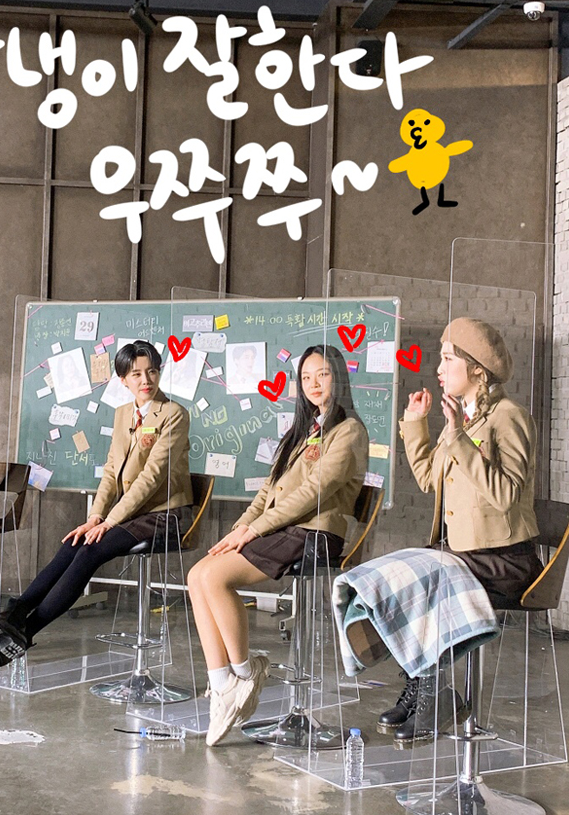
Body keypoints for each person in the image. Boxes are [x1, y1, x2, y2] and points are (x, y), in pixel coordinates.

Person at [0, 340, 193, 669]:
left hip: (164, 515)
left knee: (91, 550)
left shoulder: (174, 414)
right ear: (123, 380)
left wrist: (110, 522)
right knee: (74, 542)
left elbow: (152, 477)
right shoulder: (123, 413)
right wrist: (95, 517)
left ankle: (24, 633)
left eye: (152, 371)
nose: (146, 380)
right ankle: (13, 616)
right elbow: (111, 472)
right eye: (136, 374)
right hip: (131, 513)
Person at [187, 344, 369, 746]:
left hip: (316, 534)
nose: (314, 384)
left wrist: (254, 532)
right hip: (285, 529)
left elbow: (312, 493)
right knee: (198, 574)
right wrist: (239, 528)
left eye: (322, 374)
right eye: (306, 377)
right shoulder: (303, 430)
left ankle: (247, 673)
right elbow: (267, 492)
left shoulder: (349, 431)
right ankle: (223, 684)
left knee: (215, 579)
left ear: (338, 377)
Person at [373, 317, 542, 744]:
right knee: (411, 573)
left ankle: (432, 694)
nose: (439, 368)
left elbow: (506, 495)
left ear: (477, 370)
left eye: (448, 359)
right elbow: (428, 479)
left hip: (507, 559)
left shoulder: (509, 417)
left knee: (431, 576)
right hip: (465, 554)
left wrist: (458, 437)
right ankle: (423, 687)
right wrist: (417, 423)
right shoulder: (463, 419)